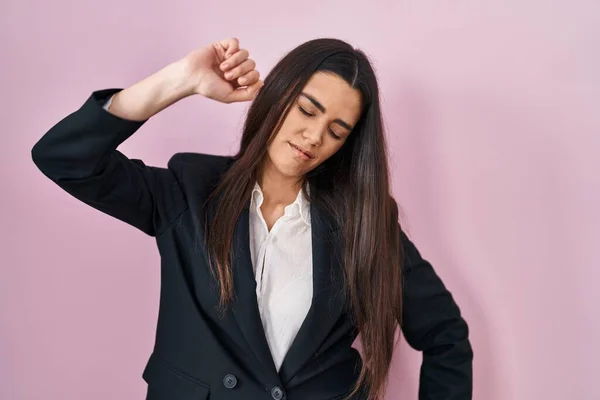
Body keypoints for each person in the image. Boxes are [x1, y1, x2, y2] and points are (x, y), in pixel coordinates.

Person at [31, 37, 473, 400]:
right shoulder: (189, 190)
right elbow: (64, 158)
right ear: (278, 95)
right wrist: (180, 80)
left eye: (337, 131)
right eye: (307, 110)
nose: (314, 137)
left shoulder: (365, 223)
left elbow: (446, 335)